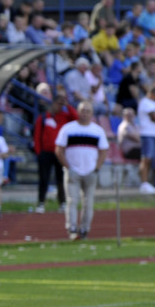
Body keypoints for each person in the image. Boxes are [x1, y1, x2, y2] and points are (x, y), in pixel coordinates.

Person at [54, 101, 109, 240]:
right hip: (73, 171)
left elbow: (103, 151)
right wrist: (68, 166)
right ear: (78, 112)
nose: (85, 114)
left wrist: (96, 168)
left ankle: (84, 229)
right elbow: (59, 150)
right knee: (72, 201)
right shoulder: (68, 128)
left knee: (88, 202)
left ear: (92, 114)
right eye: (82, 111)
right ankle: (72, 228)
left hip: (90, 171)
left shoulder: (97, 130)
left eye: (88, 111)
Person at [33, 94, 76, 213]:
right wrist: (39, 152)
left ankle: (62, 203)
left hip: (61, 153)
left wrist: (67, 105)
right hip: (45, 153)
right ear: (52, 103)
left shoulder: (65, 116)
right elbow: (37, 135)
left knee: (61, 179)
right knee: (44, 178)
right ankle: (41, 203)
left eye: (61, 104)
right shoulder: (43, 117)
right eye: (58, 103)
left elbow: (76, 118)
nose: (59, 106)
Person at [137, 85, 155, 194]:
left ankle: (146, 184)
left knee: (150, 159)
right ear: (154, 93)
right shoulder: (145, 102)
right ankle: (143, 183)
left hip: (154, 135)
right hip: (147, 134)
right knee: (146, 159)